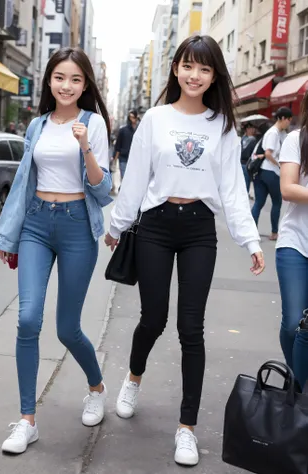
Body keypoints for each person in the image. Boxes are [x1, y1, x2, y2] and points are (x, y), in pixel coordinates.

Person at [104, 35, 265, 467]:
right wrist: (118, 225)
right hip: (155, 226)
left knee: (191, 328)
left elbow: (233, 190)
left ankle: (187, 428)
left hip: (198, 230)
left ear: (214, 76)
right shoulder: (155, 119)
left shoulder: (223, 126)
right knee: (153, 318)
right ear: (175, 69)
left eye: (205, 69)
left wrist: (250, 239)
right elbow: (136, 176)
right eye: (188, 66)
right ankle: (134, 377)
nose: (195, 76)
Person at [0, 47, 112, 455]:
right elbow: (24, 184)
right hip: (36, 224)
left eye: (76, 79)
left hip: (78, 226)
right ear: (49, 80)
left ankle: (96, 386)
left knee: (66, 328)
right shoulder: (36, 125)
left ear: (85, 85)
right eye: (60, 77)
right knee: (28, 318)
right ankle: (27, 420)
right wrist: (8, 235)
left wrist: (86, 148)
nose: (67, 85)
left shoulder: (93, 124)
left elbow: (103, 189)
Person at [276, 92, 308, 391]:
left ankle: (301, 392)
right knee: (293, 322)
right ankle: (297, 382)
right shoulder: (296, 139)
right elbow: (288, 188)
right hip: (296, 243)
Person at [251, 107, 292, 241]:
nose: (289, 123)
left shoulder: (277, 133)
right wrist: (279, 164)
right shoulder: (273, 133)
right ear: (283, 118)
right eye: (289, 120)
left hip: (262, 172)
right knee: (277, 202)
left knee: (259, 202)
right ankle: (274, 232)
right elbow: (269, 153)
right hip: (270, 172)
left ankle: (251, 231)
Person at [114, 110, 139, 181]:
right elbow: (118, 146)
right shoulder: (123, 130)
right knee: (124, 179)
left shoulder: (139, 130)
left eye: (133, 117)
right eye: (130, 117)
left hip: (135, 159)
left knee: (133, 180)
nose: (132, 119)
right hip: (123, 158)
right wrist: (115, 161)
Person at [240, 122, 258, 193]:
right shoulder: (253, 139)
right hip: (247, 163)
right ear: (247, 129)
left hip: (241, 163)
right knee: (246, 184)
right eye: (251, 128)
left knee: (242, 184)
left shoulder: (243, 138)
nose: (253, 130)